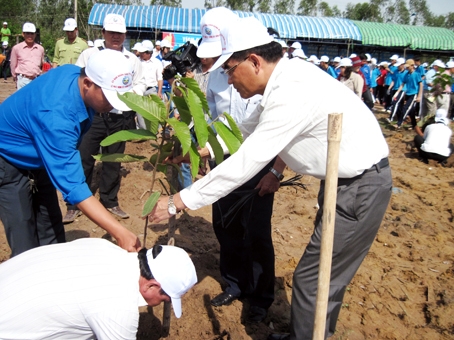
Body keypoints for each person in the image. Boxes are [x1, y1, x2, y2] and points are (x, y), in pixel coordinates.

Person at [148, 17, 392, 340]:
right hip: (342, 182)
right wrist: (199, 151)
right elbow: (244, 130)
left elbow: (247, 160)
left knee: (313, 279)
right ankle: (311, 334)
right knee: (323, 279)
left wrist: (179, 200)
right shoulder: (283, 81)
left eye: (230, 70)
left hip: (361, 186)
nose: (229, 80)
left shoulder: (291, 91)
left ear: (254, 62)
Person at [190, 8, 284, 324]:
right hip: (224, 157)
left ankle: (259, 298)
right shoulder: (215, 76)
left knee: (256, 231)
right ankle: (234, 284)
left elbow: (287, 127)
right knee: (225, 225)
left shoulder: (272, 77)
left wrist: (275, 171)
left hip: (260, 162)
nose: (221, 65)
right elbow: (212, 119)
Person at [0, 49, 141, 257]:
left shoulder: (73, 73)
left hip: (42, 157)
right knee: (24, 244)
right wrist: (120, 232)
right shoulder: (56, 118)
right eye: (110, 97)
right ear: (88, 84)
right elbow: (74, 187)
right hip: (9, 160)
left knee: (52, 231)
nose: (112, 105)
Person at [0, 238, 197, 339]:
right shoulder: (119, 308)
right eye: (166, 299)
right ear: (152, 285)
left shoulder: (105, 247)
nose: (165, 304)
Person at [63, 13, 146, 223]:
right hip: (93, 116)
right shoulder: (90, 54)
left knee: (114, 159)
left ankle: (109, 200)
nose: (116, 37)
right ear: (103, 33)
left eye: (119, 33)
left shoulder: (132, 60)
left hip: (119, 117)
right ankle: (75, 203)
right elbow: (78, 78)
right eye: (111, 33)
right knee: (84, 157)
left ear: (125, 35)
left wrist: (129, 97)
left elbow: (140, 83)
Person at [10, 22, 44, 90]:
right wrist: (16, 78)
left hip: (36, 80)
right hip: (23, 80)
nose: (30, 36)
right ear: (23, 34)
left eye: (32, 34)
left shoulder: (40, 49)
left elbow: (41, 64)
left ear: (35, 35)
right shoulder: (16, 48)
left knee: (35, 100)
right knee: (22, 100)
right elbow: (13, 65)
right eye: (27, 33)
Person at [137, 39, 163, 128]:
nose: (140, 54)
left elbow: (160, 78)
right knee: (140, 111)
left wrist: (159, 92)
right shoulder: (137, 62)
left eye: (143, 52)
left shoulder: (157, 63)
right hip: (139, 90)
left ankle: (156, 131)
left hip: (151, 90)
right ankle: (144, 131)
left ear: (149, 53)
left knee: (154, 111)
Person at [392, 59, 423, 129]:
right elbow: (403, 84)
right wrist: (397, 92)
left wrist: (419, 96)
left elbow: (421, 85)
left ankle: (399, 123)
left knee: (405, 109)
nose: (407, 68)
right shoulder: (407, 74)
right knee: (411, 111)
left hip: (413, 94)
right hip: (408, 93)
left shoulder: (416, 74)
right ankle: (414, 125)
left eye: (408, 66)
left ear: (412, 66)